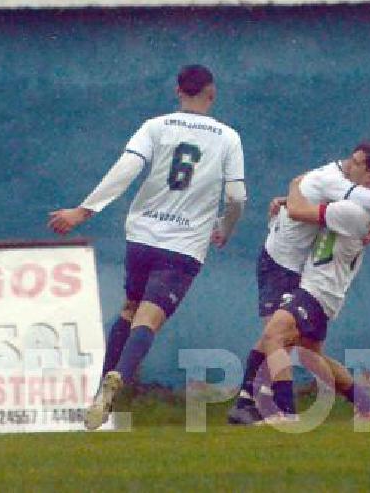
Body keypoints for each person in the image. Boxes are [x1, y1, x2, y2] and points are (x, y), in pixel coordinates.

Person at [47, 64, 247, 430]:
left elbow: (125, 169)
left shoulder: (156, 126)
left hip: (142, 237)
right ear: (211, 93)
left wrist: (83, 210)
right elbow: (236, 196)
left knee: (130, 308)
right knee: (149, 318)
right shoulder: (227, 137)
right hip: (184, 245)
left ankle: (100, 391)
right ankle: (118, 378)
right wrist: (225, 226)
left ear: (177, 92)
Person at [230, 141, 370, 425]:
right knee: (309, 355)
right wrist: (287, 200)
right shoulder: (354, 209)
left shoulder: (352, 212)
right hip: (326, 294)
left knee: (274, 337)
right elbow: (317, 211)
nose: (347, 164)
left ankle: (282, 411)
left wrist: (296, 185)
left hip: (318, 291)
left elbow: (299, 211)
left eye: (356, 163)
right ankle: (367, 405)